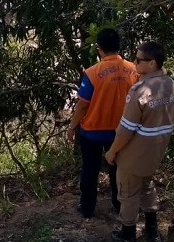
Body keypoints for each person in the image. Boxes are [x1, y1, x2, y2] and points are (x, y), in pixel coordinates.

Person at [104, 41, 174, 242]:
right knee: (147, 186)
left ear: (152, 63)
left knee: (128, 195)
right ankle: (152, 230)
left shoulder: (140, 91)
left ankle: (128, 234)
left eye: (139, 60)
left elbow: (125, 131)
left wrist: (112, 151)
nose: (135, 62)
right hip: (155, 152)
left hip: (134, 153)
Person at [67, 28, 139, 218]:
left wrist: (72, 127)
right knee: (118, 170)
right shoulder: (134, 70)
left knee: (90, 170)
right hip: (121, 132)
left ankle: (88, 208)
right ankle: (119, 205)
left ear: (99, 49)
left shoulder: (92, 73)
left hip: (92, 132)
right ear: (118, 46)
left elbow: (83, 105)